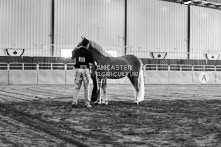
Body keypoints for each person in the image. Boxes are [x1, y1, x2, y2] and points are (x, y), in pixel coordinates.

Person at [71, 39, 95, 108]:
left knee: (77, 87)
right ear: (87, 45)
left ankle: (74, 102)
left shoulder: (77, 51)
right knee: (86, 87)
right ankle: (87, 103)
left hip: (78, 70)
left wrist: (75, 48)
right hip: (85, 70)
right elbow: (91, 61)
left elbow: (72, 57)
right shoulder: (88, 52)